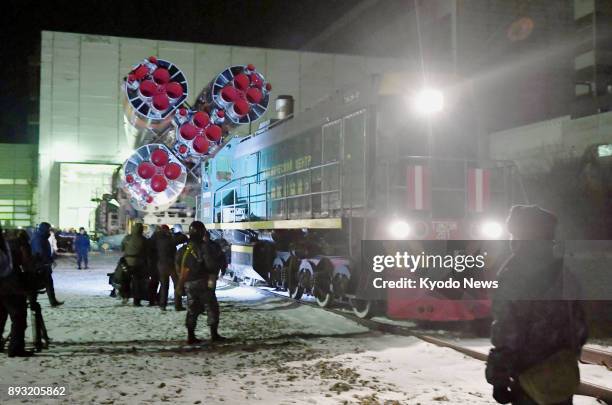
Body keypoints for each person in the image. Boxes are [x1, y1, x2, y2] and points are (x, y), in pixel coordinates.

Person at [486, 205, 588, 405]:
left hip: (528, 378)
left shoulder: (514, 273)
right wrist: (565, 358)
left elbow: (507, 330)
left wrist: (498, 378)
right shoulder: (565, 271)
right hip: (560, 376)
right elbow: (580, 326)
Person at [176, 221, 226, 344]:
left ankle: (191, 336)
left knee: (192, 309)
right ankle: (214, 334)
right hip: (203, 282)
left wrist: (181, 283)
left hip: (188, 283)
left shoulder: (183, 249)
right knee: (211, 307)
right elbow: (211, 264)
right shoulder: (205, 247)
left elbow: (178, 265)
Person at [0, 224, 32, 357]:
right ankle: (15, 348)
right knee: (18, 317)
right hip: (10, 286)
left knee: (0, 316)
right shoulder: (16, 244)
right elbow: (26, 263)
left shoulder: (6, 243)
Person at [31, 222, 63, 307]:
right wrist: (47, 261)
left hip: (44, 264)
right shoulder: (38, 238)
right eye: (48, 229)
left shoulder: (42, 237)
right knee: (38, 284)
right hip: (40, 265)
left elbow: (46, 251)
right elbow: (40, 252)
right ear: (44, 229)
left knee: (48, 283)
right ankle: (32, 301)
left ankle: (52, 301)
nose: (50, 231)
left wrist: (51, 260)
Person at [156, 225, 183, 311]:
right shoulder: (170, 239)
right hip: (171, 265)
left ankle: (162, 305)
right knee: (177, 284)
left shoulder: (157, 239)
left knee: (164, 285)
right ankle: (178, 305)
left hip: (161, 265)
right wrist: (175, 234)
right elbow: (183, 238)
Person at [120, 223, 147, 306]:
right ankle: (137, 301)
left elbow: (122, 248)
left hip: (127, 262)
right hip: (138, 263)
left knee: (125, 280)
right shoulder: (143, 239)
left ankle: (125, 296)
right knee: (138, 282)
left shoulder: (127, 238)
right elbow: (146, 251)